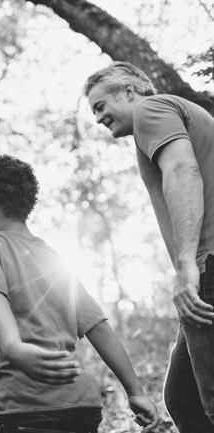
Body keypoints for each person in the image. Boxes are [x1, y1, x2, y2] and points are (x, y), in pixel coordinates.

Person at [0, 155, 159, 433]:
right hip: (83, 403)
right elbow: (98, 327)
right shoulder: (55, 259)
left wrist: (13, 346)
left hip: (28, 405)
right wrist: (135, 391)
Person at [85, 62, 214, 432]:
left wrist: (188, 263)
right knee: (183, 398)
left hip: (208, 264)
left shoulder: (150, 110)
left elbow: (182, 171)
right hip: (205, 266)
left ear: (128, 91)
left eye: (100, 105)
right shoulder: (177, 113)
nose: (98, 119)